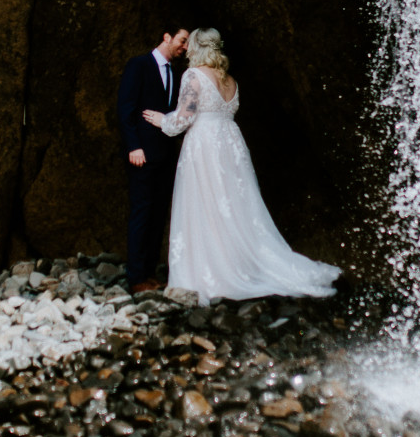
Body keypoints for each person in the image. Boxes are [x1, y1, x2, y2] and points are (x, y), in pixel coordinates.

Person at [142, 27, 340, 302]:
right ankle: (237, 263)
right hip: (231, 144)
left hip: (206, 145)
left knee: (207, 204)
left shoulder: (194, 75)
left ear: (198, 48)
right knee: (235, 205)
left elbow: (185, 118)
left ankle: (212, 272)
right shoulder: (231, 81)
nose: (186, 50)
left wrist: (162, 120)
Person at [117, 28, 189, 292]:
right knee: (141, 213)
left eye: (188, 44)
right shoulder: (139, 65)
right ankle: (136, 278)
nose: (184, 47)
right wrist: (133, 146)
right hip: (141, 155)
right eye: (182, 41)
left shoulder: (177, 74)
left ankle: (149, 272)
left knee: (158, 214)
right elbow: (125, 109)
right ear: (167, 37)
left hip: (165, 154)